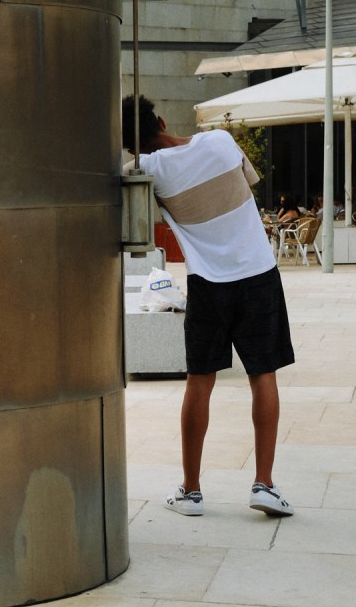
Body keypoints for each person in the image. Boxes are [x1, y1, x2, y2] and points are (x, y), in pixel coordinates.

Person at [123, 96, 295, 519]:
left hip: (207, 284)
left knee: (199, 384)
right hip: (258, 273)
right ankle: (265, 485)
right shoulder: (220, 142)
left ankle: (192, 491)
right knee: (263, 375)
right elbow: (246, 184)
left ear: (133, 147)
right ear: (162, 119)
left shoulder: (148, 170)